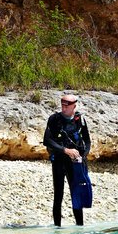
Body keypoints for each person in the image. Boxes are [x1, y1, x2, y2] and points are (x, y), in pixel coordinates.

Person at [43, 94, 92, 226]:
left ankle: (79, 227)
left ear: (74, 106)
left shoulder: (79, 120)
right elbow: (47, 141)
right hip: (59, 161)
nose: (64, 108)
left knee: (76, 194)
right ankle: (57, 228)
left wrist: (84, 155)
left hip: (75, 163)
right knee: (58, 195)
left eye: (67, 106)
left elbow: (87, 141)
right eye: (62, 105)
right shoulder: (54, 119)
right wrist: (66, 150)